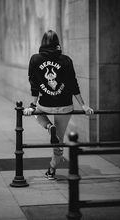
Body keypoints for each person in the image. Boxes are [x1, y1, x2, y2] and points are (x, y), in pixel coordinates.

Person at [24, 30, 93, 180]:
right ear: (57, 44)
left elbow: (34, 84)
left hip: (45, 104)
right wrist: (84, 105)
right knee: (59, 141)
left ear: (42, 43)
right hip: (65, 105)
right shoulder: (66, 60)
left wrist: (32, 105)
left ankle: (49, 127)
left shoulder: (35, 60)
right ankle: (52, 169)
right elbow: (73, 84)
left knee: (37, 113)